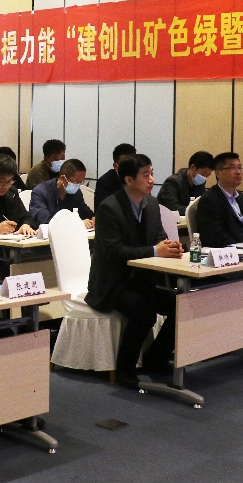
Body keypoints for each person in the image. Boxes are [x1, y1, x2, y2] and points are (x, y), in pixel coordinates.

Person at [85, 154, 183, 385]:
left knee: (181, 305)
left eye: (152, 173)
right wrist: (156, 250)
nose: (152, 180)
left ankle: (156, 358)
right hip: (113, 283)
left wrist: (171, 247)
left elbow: (160, 238)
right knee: (144, 313)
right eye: (145, 175)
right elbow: (115, 252)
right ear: (128, 180)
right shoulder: (109, 208)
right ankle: (124, 370)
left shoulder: (152, 204)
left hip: (143, 280)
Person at [196, 152, 243, 248]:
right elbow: (216, 237)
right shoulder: (209, 200)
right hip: (234, 250)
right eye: (232, 168)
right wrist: (242, 248)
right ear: (218, 173)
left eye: (240, 167)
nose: (238, 172)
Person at [29, 159, 95, 228]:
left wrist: (93, 218)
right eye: (76, 182)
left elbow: (84, 210)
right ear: (63, 178)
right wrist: (76, 223)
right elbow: (45, 221)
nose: (78, 185)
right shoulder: (40, 192)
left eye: (81, 182)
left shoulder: (76, 193)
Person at [0, 154, 36, 237]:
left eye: (9, 181)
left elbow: (26, 216)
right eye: (1, 181)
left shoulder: (11, 193)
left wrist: (26, 224)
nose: (5, 186)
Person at [94, 143, 137, 210]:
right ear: (116, 166)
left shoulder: (139, 178)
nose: (130, 167)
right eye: (125, 164)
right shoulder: (104, 182)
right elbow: (103, 210)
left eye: (133, 163)